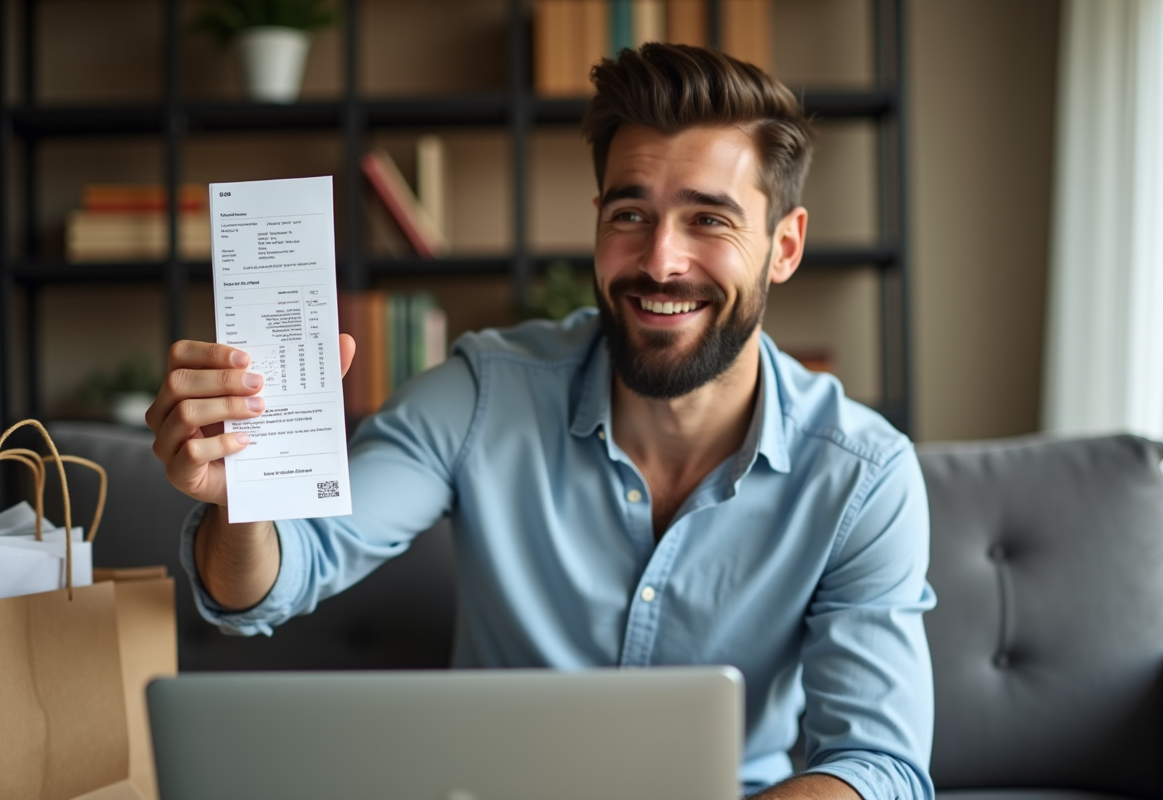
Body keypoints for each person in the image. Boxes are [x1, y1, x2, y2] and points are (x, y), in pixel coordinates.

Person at [146, 43, 935, 800]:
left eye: (709, 220)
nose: (660, 260)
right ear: (598, 222)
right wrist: (241, 498)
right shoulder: (481, 393)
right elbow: (273, 582)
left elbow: (878, 766)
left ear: (784, 247)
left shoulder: (863, 477)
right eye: (631, 213)